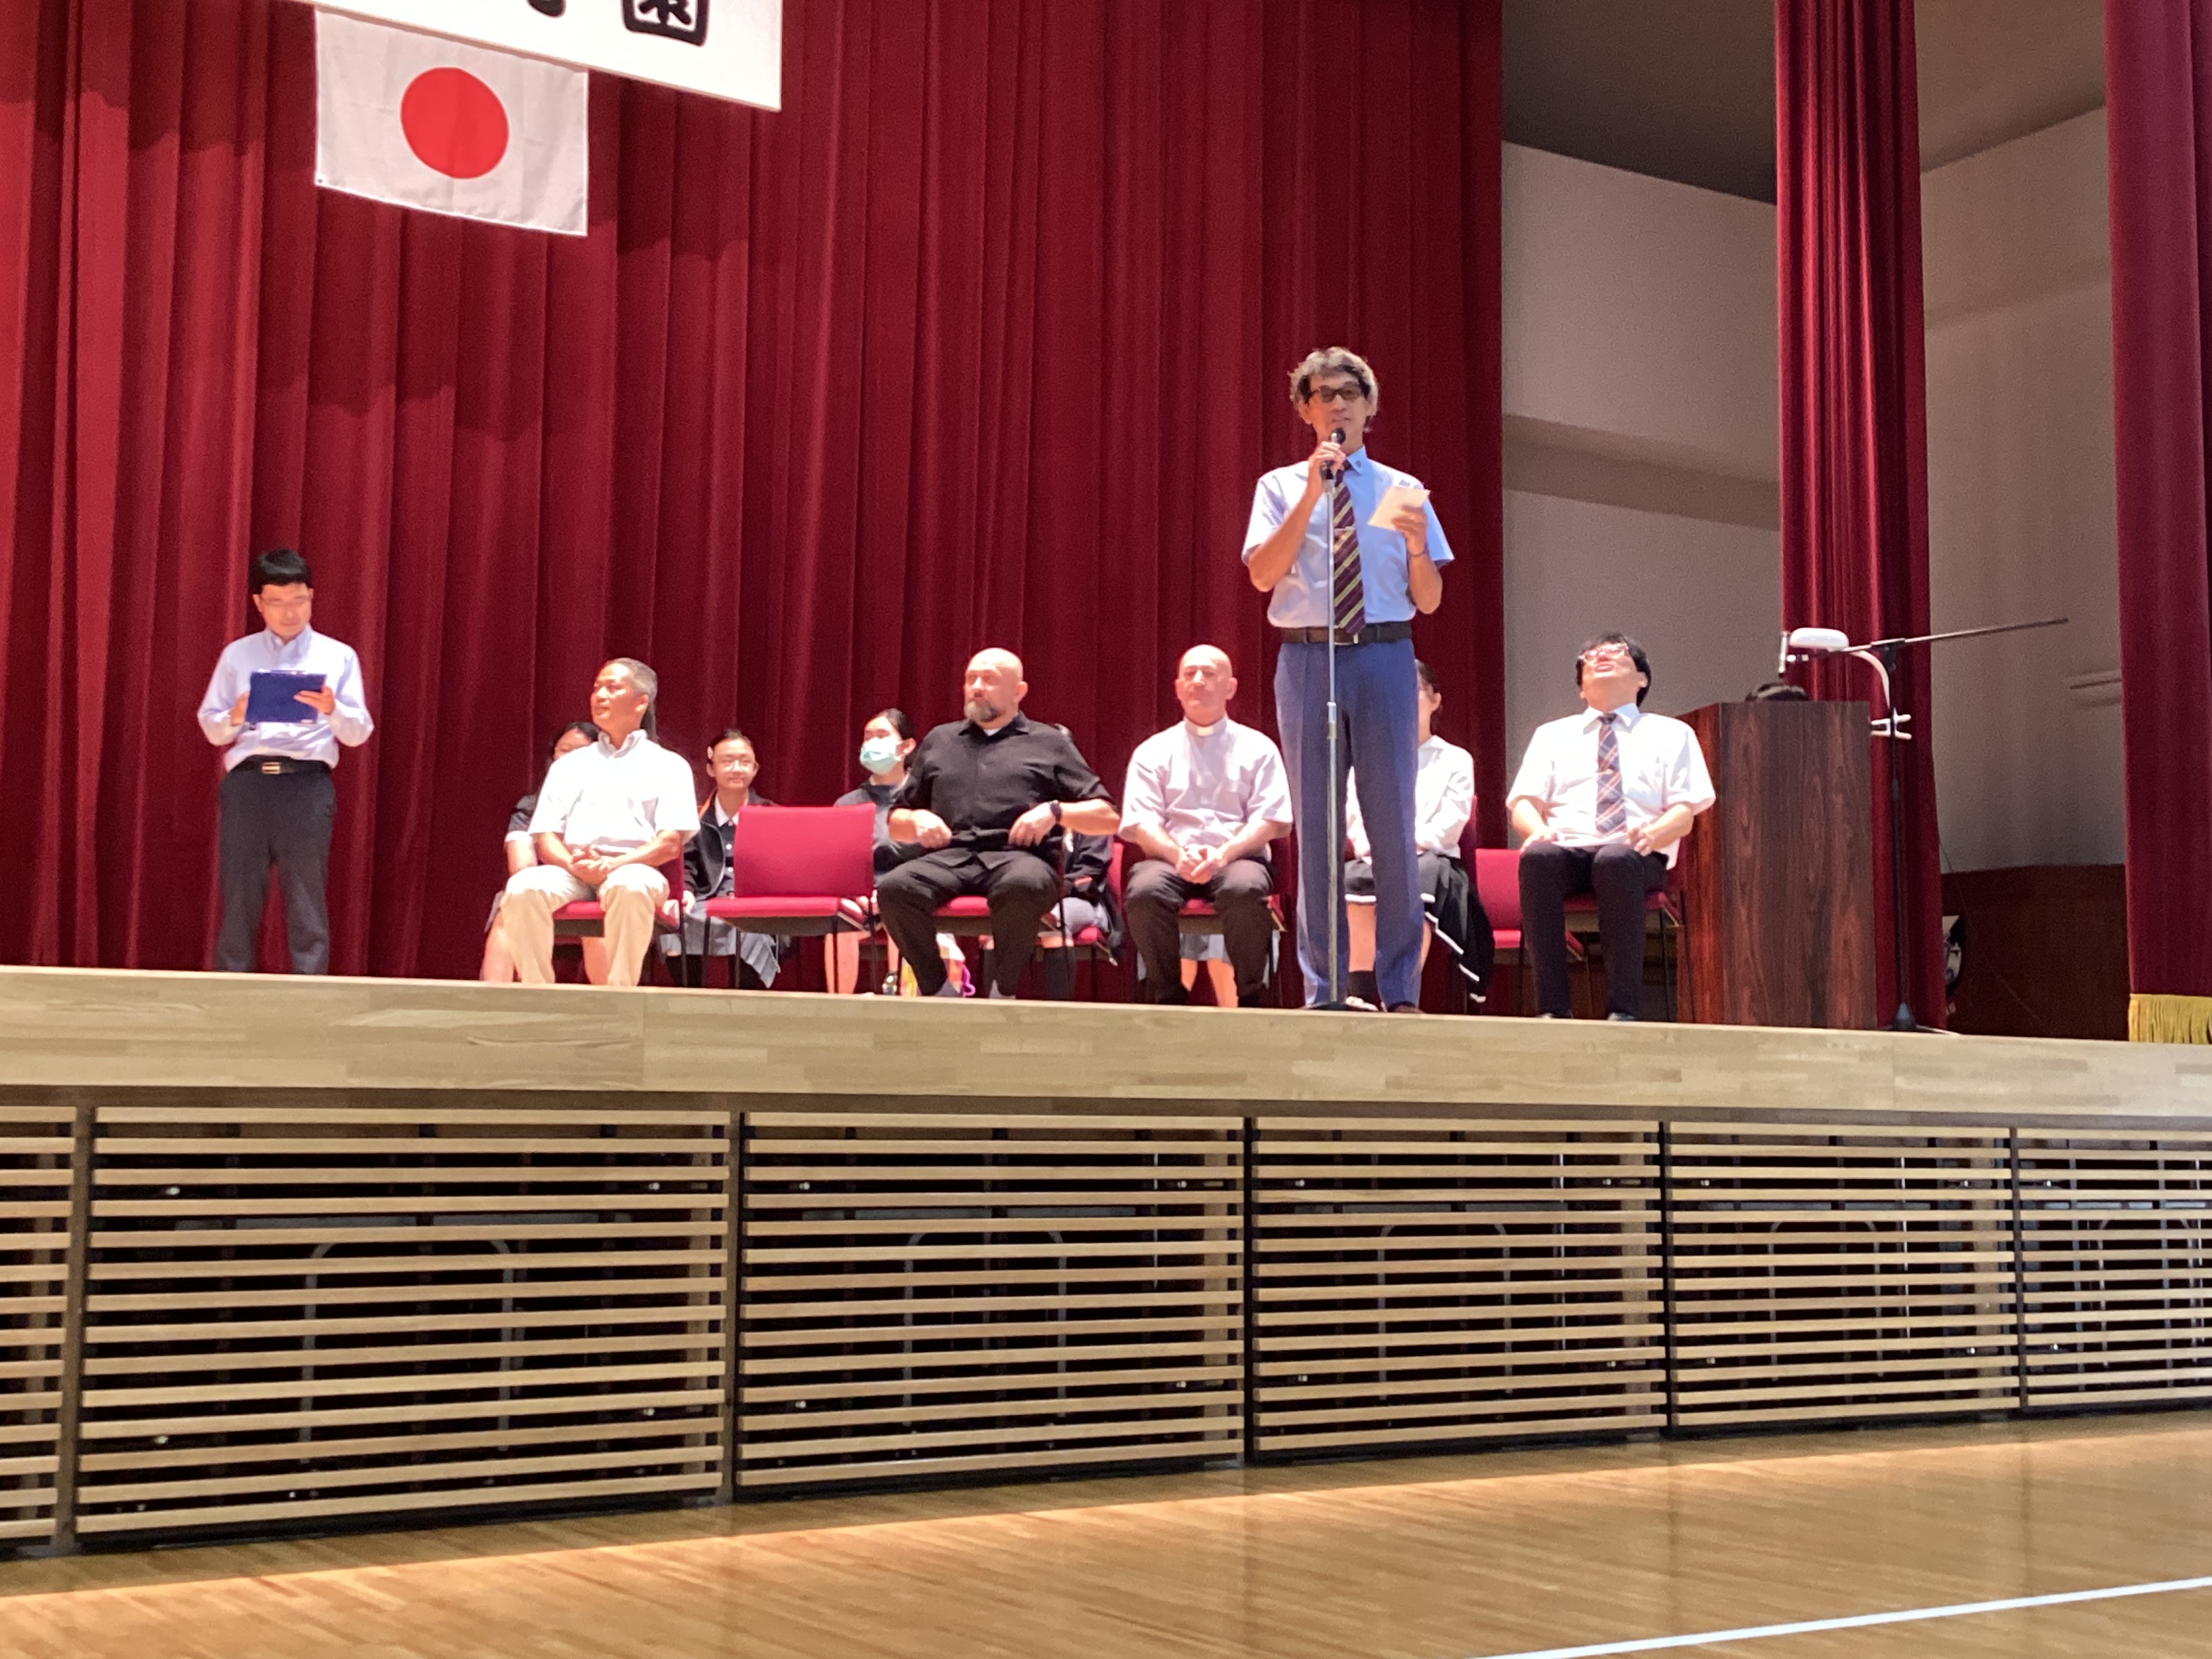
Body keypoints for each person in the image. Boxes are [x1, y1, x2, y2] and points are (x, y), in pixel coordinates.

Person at [1244, 347, 1452, 1012]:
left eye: (1349, 394)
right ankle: (1325, 989)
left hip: (1385, 656)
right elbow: (1262, 574)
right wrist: (1312, 491)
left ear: (1370, 407)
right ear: (1306, 411)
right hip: (1309, 657)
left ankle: (1399, 989)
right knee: (1318, 828)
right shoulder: (1280, 486)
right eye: (1324, 395)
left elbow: (1429, 600)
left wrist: (1417, 547)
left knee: (1393, 827)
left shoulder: (1401, 488)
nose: (1338, 404)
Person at [881, 649, 1119, 999]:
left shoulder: (1049, 743)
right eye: (971, 679)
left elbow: (1107, 816)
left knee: (1022, 885)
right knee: (894, 889)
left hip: (1020, 857)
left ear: (1019, 691)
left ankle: (1002, 990)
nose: (976, 687)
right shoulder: (940, 740)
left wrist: (1055, 812)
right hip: (951, 857)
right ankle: (939, 991)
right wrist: (917, 818)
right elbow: (896, 822)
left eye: (989, 679)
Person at [1507, 632, 1715, 1021]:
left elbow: (1686, 810)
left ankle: (1623, 1011)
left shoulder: (1672, 733)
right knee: (1538, 859)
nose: (1601, 657)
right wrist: (1534, 830)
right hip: (1568, 849)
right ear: (1581, 688)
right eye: (1591, 658)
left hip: (1637, 852)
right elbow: (1523, 802)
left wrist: (1653, 833)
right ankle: (1553, 1010)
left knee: (1615, 860)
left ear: (1642, 679)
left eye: (1617, 654)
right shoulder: (1552, 735)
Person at [197, 548, 375, 975]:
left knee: (306, 895)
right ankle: (230, 988)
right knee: (239, 894)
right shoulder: (238, 655)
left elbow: (358, 734)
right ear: (259, 603)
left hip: (306, 784)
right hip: (248, 784)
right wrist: (237, 714)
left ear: (312, 596)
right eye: (277, 602)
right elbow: (212, 729)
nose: (290, 612)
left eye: (299, 600)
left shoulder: (338, 656)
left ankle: (309, 992)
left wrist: (332, 709)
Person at [503, 659, 699, 987]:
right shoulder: (569, 766)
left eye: (613, 687)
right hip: (572, 869)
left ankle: (620, 996)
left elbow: (669, 843)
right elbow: (546, 836)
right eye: (596, 688)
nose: (600, 695)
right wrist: (575, 865)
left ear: (641, 702)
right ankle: (537, 994)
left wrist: (613, 865)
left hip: (634, 867)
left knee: (631, 886)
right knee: (523, 887)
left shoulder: (669, 765)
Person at [1118, 645, 1292, 1008]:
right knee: (1144, 892)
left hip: (1238, 857)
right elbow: (1141, 823)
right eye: (1189, 674)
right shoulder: (1152, 751)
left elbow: (1271, 820)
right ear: (1177, 688)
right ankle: (1168, 995)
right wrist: (1178, 855)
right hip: (1170, 859)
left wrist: (1223, 855)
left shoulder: (1258, 748)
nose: (1198, 681)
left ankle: (1251, 995)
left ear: (1230, 688)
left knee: (1245, 890)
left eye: (1209, 674)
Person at [1344, 658, 1492, 1008]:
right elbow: (1354, 814)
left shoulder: (1455, 759)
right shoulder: (1366, 758)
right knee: (1352, 878)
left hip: (1434, 860)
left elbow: (1452, 821)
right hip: (1375, 856)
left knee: (1421, 876)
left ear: (1435, 700)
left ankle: (1402, 995)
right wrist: (1375, 848)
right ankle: (1359, 993)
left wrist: (1405, 846)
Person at [830, 709, 966, 994]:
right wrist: (857, 895)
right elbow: (839, 865)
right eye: (868, 737)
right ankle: (839, 1005)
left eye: (882, 736)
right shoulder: (847, 804)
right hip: (862, 901)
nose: (872, 743)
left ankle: (899, 992)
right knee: (840, 927)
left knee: (900, 910)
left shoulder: (927, 801)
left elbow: (944, 858)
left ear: (907, 747)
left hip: (915, 897)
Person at [663, 729, 791, 989]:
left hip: (756, 905)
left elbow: (785, 871)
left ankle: (746, 1005)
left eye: (745, 762)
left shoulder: (774, 816)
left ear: (755, 769)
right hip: (705, 902)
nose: (737, 769)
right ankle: (689, 1000)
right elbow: (686, 865)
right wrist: (685, 891)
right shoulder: (694, 820)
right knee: (676, 924)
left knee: (751, 931)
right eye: (727, 761)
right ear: (711, 769)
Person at [481, 721, 607, 984]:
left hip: (603, 877)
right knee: (513, 899)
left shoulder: (613, 801)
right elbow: (521, 866)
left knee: (599, 916)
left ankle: (612, 1001)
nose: (570, 759)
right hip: (555, 881)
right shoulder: (531, 806)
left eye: (581, 752)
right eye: (564, 751)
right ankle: (496, 998)